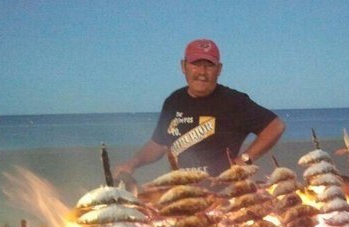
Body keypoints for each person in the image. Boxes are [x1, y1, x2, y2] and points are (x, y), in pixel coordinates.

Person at [113, 38, 285, 179]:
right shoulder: (174, 101)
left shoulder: (234, 101)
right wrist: (132, 163)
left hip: (222, 190)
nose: (202, 72)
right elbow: (158, 145)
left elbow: (275, 126)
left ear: (219, 69)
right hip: (181, 188)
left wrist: (245, 159)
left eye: (209, 65)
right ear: (183, 66)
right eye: (196, 64)